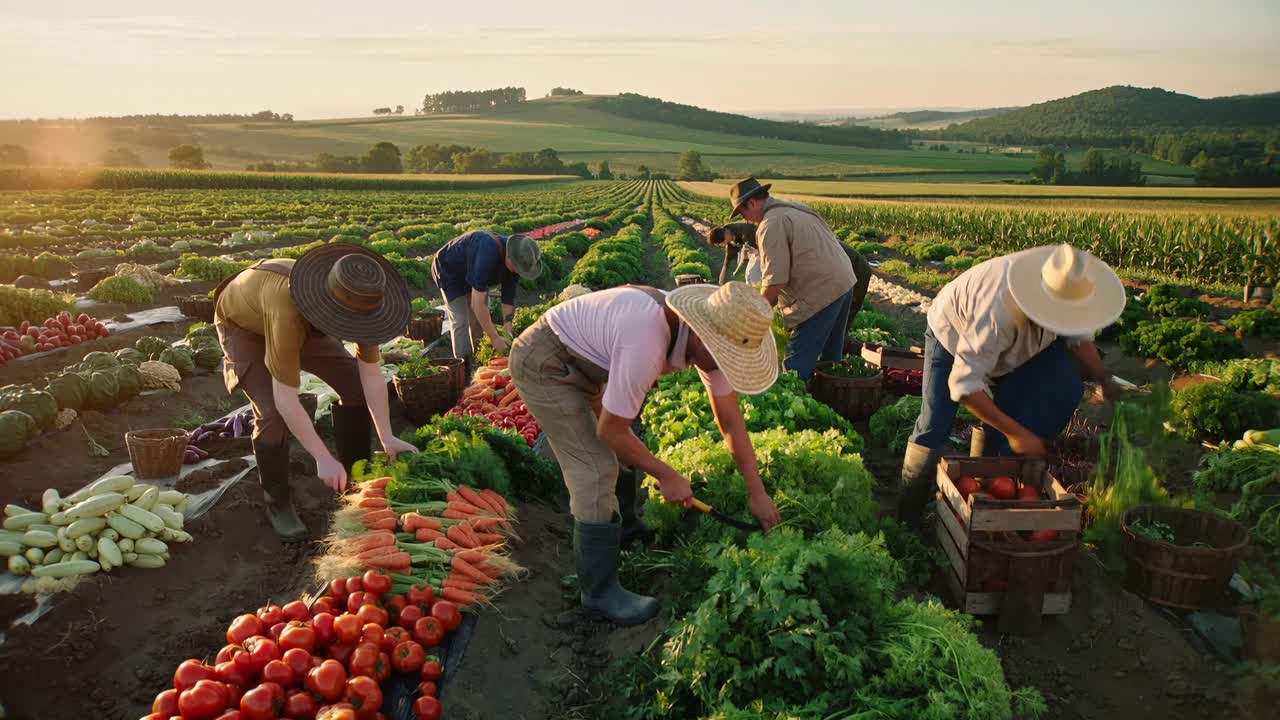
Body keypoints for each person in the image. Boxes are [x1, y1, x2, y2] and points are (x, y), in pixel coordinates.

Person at [509, 282, 783, 625]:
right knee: (595, 467)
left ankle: (624, 527)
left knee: (624, 446)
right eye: (724, 356)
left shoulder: (704, 341)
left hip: (585, 364)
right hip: (545, 364)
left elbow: (730, 421)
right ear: (702, 335)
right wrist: (667, 474)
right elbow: (610, 430)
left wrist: (757, 493)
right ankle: (598, 595)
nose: (726, 366)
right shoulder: (647, 339)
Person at [897, 244, 1127, 529]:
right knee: (935, 424)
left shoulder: (1070, 290)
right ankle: (908, 515)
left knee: (1057, 387)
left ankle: (985, 502)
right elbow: (964, 386)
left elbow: (1078, 340)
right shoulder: (998, 312)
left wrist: (1104, 377)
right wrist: (1016, 433)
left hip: (1019, 345)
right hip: (953, 332)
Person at [213, 245, 419, 541]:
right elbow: (286, 398)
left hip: (303, 320)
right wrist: (322, 457)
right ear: (331, 310)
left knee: (354, 385)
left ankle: (354, 477)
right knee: (271, 412)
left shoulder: (361, 302)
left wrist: (386, 436)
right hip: (243, 327)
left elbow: (370, 374)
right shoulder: (289, 310)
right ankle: (278, 504)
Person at [727, 177, 859, 380]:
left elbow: (775, 281)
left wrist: (756, 317)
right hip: (844, 282)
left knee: (795, 365)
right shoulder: (796, 208)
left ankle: (796, 400)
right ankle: (830, 400)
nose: (745, 219)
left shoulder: (771, 224)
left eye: (743, 212)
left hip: (820, 291)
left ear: (752, 202)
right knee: (830, 358)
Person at [710, 220, 873, 343]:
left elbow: (772, 261)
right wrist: (722, 285)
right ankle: (832, 347)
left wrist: (770, 293)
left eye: (721, 243)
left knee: (844, 311)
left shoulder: (749, 233)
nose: (724, 246)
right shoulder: (733, 238)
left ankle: (837, 348)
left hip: (855, 271)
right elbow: (728, 263)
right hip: (836, 272)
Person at [430, 229, 542, 370]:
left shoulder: (518, 260)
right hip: (449, 271)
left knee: (478, 321)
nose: (517, 271)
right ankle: (463, 369)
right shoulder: (487, 251)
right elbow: (478, 305)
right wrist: (494, 338)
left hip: (472, 273)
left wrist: (508, 330)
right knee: (460, 321)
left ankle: (479, 364)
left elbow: (508, 297)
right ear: (510, 256)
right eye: (516, 267)